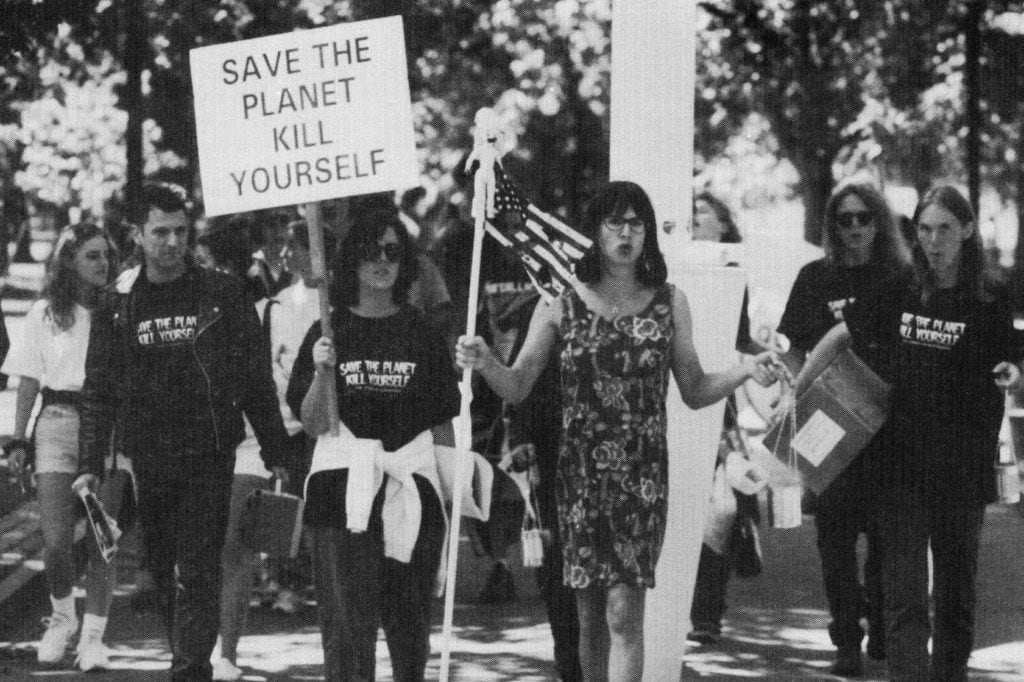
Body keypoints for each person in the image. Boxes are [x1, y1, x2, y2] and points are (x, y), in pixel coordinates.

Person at [456, 181, 784, 682]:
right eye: (615, 222)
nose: (626, 233)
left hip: (642, 475)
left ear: (648, 233)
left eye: (636, 223)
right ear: (596, 231)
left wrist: (743, 371)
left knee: (623, 612)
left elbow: (694, 387)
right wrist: (483, 361)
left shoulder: (669, 302)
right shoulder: (559, 302)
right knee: (589, 616)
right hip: (579, 475)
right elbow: (518, 385)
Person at [793, 185, 1021, 681]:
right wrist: (798, 393)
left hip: (963, 465)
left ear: (966, 230)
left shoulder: (990, 294)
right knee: (904, 597)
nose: (933, 240)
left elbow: (1010, 358)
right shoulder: (901, 284)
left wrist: (1011, 372)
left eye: (943, 229)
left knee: (956, 593)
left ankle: (949, 674)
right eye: (923, 229)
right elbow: (841, 334)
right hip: (901, 465)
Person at [76, 182, 292, 681]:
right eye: (160, 232)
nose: (172, 242)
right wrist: (88, 464)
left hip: (208, 452)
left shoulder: (222, 292)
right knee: (162, 566)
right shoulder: (118, 301)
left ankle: (190, 669)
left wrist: (277, 448)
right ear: (137, 234)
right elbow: (98, 388)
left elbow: (255, 378)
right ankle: (188, 658)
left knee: (196, 569)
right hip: (149, 458)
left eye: (179, 231)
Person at [286, 209, 460, 682]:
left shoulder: (422, 333)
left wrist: (451, 496)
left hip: (411, 487)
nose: (382, 262)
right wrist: (323, 372)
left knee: (410, 628)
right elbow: (313, 423)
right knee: (346, 627)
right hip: (343, 487)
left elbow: (442, 419)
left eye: (393, 251)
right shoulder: (327, 332)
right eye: (371, 251)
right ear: (350, 261)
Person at [775, 182, 912, 675]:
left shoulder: (898, 276)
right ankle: (846, 639)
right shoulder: (814, 277)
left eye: (864, 218)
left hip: (884, 420)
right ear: (831, 225)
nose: (855, 227)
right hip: (827, 419)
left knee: (883, 537)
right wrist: (795, 385)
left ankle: (877, 614)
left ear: (880, 222)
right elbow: (792, 344)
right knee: (833, 537)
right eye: (845, 219)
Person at [1, 223, 118, 671]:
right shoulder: (46, 313)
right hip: (56, 421)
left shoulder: (118, 311)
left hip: (106, 424)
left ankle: (94, 636)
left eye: (106, 255)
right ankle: (63, 617)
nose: (102, 263)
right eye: (91, 255)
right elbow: (29, 377)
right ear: (69, 260)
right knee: (54, 540)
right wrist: (18, 439)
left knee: (102, 536)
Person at [686, 191, 764, 646]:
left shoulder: (733, 274)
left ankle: (708, 613)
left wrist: (763, 360)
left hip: (719, 395)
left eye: (702, 214)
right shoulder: (669, 269)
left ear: (722, 226)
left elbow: (741, 338)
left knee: (720, 506)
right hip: (677, 390)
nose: (694, 220)